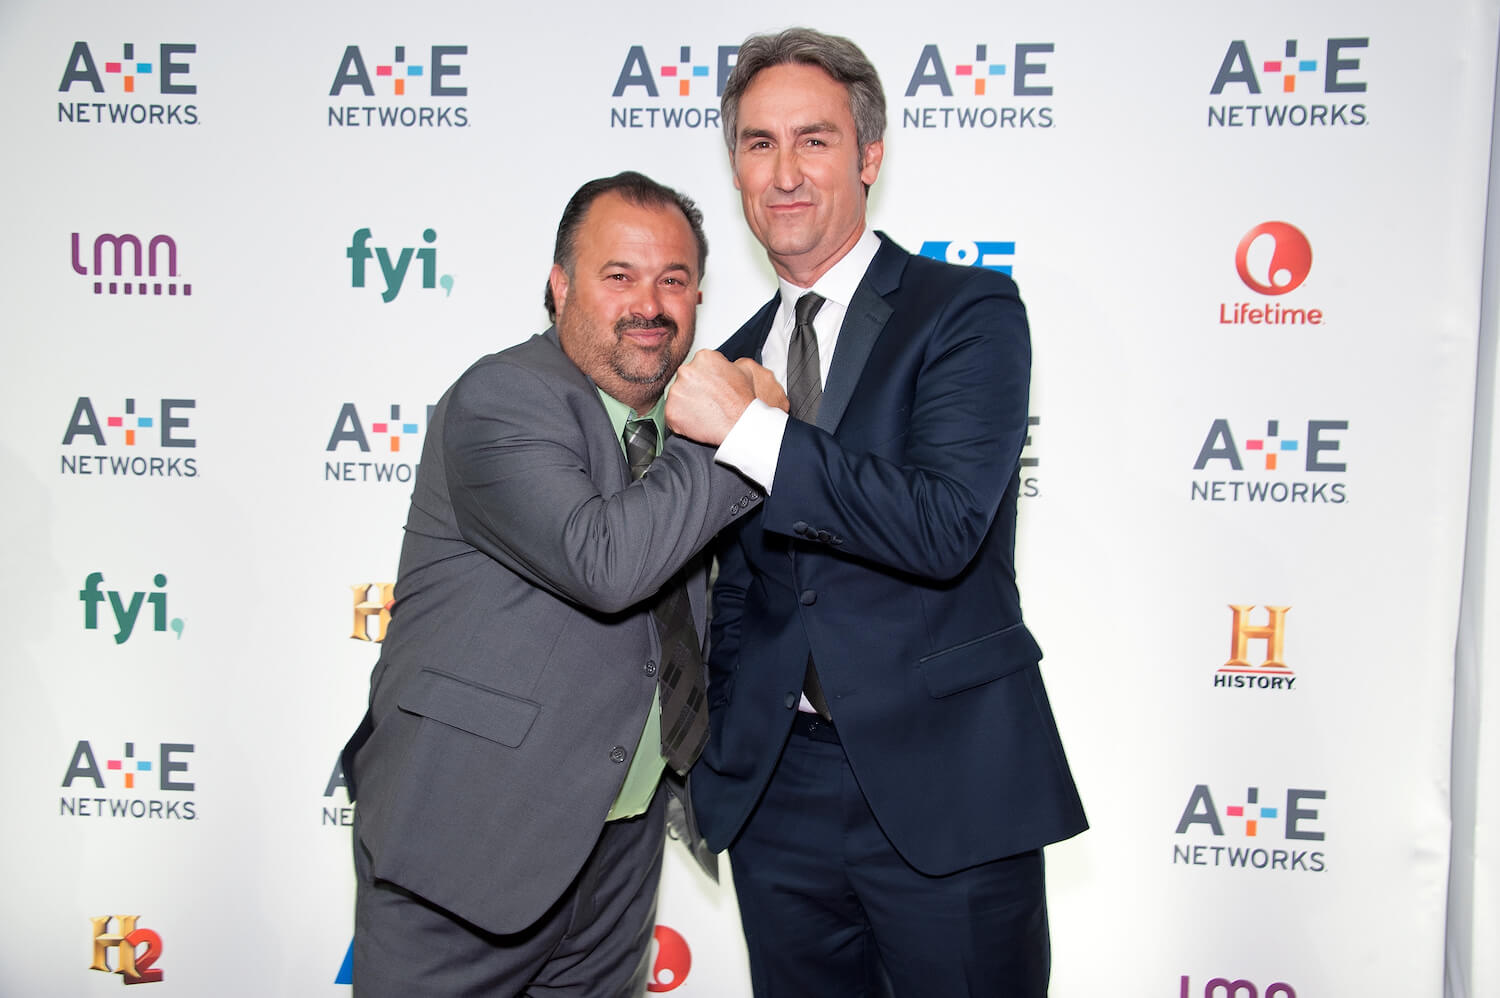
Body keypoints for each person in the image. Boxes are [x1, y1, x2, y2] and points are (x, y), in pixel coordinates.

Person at [665, 28, 1088, 997]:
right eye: (759, 143)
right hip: (780, 800)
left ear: (868, 154)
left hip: (950, 787)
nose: (784, 173)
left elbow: (943, 526)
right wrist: (729, 757)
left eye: (813, 139)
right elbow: (741, 589)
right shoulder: (728, 358)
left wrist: (752, 433)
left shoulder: (967, 310)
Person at [342, 171, 775, 997]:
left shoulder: (661, 430)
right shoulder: (502, 398)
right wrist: (737, 431)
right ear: (560, 285)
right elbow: (606, 564)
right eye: (620, 276)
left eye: (674, 281)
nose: (650, 304)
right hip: (465, 847)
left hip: (617, 851)